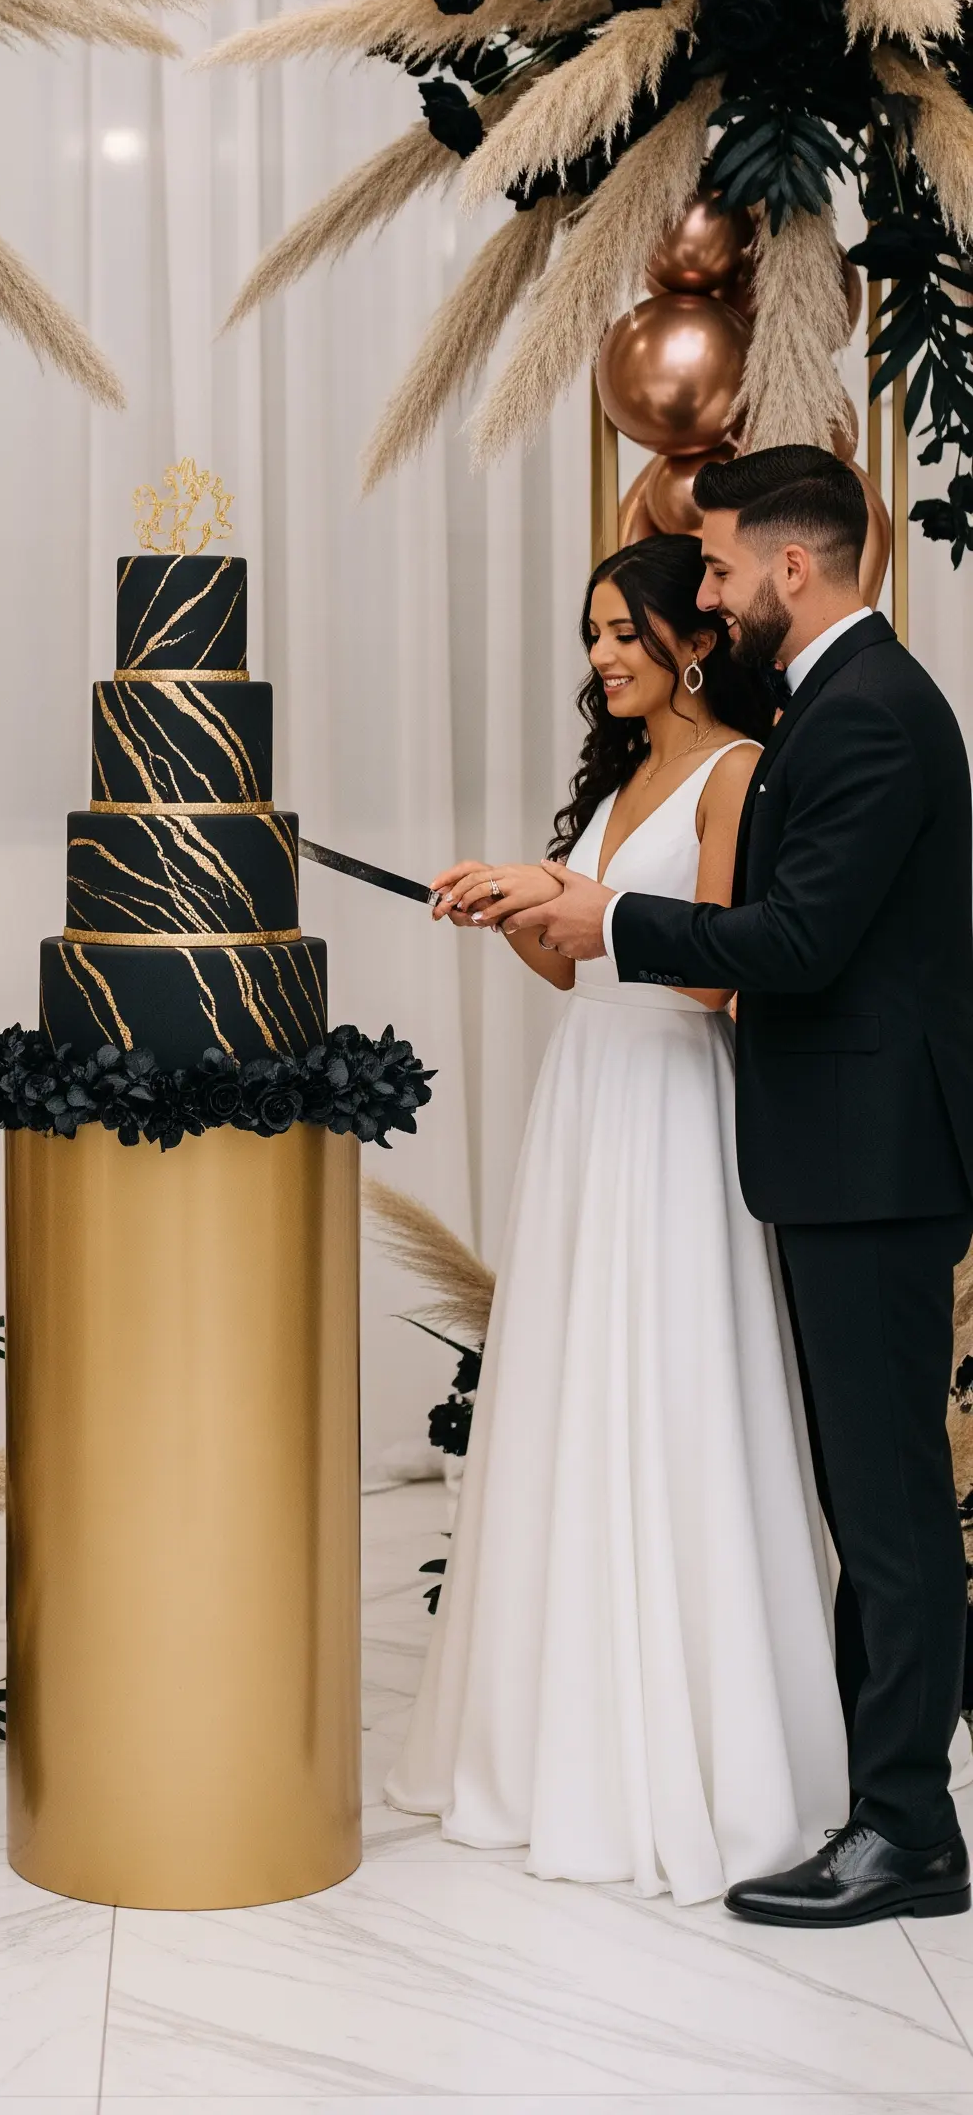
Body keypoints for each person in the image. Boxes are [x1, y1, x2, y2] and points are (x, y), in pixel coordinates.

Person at [504, 446, 973, 1927]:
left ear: (790, 567)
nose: (699, 596)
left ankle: (908, 1831)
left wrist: (609, 918)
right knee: (863, 1496)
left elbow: (798, 946)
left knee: (891, 1507)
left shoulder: (876, 717)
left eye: (712, 569)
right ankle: (867, 1793)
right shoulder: (841, 704)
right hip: (838, 1154)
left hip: (879, 1163)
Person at [388, 529, 849, 1905]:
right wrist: (511, 910)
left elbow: (711, 981)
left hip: (671, 1112)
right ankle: (552, 1736)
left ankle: (694, 1751)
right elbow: (578, 967)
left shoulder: (733, 773)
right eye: (590, 636)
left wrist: (571, 905)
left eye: (621, 633)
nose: (600, 658)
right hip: (585, 1100)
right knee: (573, 1395)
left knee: (671, 1395)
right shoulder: (618, 778)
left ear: (692, 639)